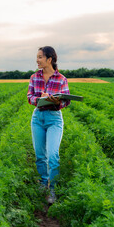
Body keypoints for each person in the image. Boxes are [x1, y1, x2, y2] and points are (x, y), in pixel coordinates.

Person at [27, 46, 71, 204]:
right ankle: (43, 183)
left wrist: (56, 100)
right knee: (40, 156)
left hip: (54, 118)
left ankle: (53, 189)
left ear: (49, 59)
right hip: (38, 118)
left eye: (40, 57)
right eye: (37, 57)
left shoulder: (61, 79)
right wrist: (39, 99)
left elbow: (66, 100)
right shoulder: (34, 77)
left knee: (53, 155)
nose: (37, 60)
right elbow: (29, 97)